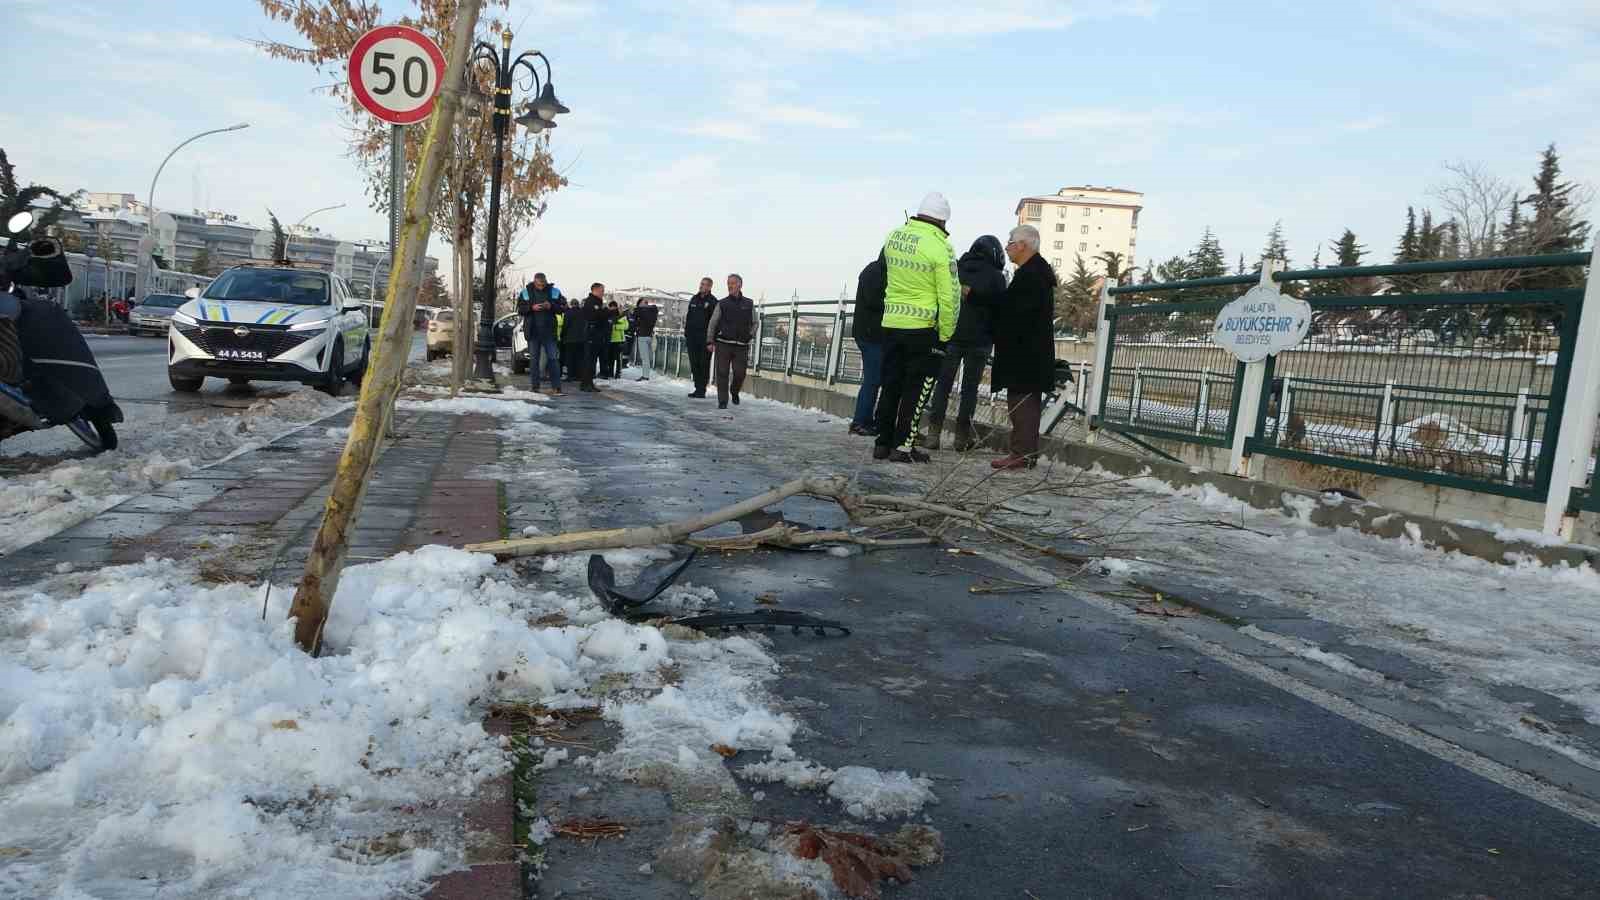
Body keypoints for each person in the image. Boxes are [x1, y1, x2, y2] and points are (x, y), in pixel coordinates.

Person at [873, 193, 958, 463]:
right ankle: (903, 447)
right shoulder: (940, 247)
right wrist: (946, 333)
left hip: (892, 323)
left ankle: (882, 443)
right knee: (917, 390)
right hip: (923, 328)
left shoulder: (893, 237)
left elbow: (884, 276)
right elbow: (949, 296)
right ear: (943, 220)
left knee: (890, 386)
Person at [987, 225, 1058, 470]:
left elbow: (1016, 312)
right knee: (1024, 401)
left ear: (1023, 246)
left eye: (1010, 242)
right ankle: (1024, 452)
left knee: (1022, 403)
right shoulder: (1034, 273)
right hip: (1029, 352)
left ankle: (1021, 454)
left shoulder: (1031, 276)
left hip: (1025, 353)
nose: (1006, 247)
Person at [925, 235, 1002, 451]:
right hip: (980, 340)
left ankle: (933, 435)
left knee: (943, 385)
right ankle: (961, 438)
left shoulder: (955, 269)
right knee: (969, 390)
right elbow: (1000, 309)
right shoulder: (996, 276)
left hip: (950, 336)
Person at [703, 273, 754, 410]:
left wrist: (750, 334)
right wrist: (710, 341)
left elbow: (755, 322)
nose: (729, 286)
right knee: (722, 372)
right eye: (728, 283)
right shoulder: (722, 303)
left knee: (740, 373)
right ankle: (723, 401)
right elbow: (713, 323)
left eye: (732, 283)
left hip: (741, 345)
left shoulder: (749, 303)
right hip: (723, 343)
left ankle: (734, 391)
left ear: (740, 285)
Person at [848, 253, 886, 436]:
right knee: (873, 380)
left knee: (873, 379)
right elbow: (874, 300)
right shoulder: (876, 272)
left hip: (868, 333)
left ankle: (864, 420)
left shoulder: (873, 270)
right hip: (871, 335)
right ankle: (860, 421)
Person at [517, 272, 566, 394]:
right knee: (534, 360)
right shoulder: (525, 292)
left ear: (546, 282)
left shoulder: (554, 291)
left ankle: (557, 387)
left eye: (543, 285)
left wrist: (551, 306)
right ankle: (535, 387)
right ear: (534, 282)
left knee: (553, 359)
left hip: (549, 332)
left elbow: (563, 307)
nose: (541, 287)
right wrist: (531, 308)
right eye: (539, 285)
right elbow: (520, 310)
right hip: (533, 332)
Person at [683, 277, 718, 398]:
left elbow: (715, 322)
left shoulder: (713, 302)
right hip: (692, 337)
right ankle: (697, 387)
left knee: (703, 363)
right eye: (701, 283)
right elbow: (689, 317)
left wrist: (711, 340)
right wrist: (686, 333)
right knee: (694, 363)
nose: (701, 286)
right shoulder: (694, 299)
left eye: (704, 284)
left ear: (709, 287)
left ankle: (701, 389)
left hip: (705, 339)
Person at [580, 283, 614, 392]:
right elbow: (595, 316)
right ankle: (586, 384)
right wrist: (608, 312)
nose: (603, 292)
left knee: (592, 359)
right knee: (589, 360)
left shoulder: (596, 302)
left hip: (595, 333)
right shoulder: (591, 302)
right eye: (602, 290)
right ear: (595, 290)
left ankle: (588, 383)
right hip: (591, 333)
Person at [560, 279, 591, 380]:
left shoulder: (568, 313)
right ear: (578, 304)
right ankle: (579, 375)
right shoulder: (583, 313)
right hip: (581, 339)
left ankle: (570, 375)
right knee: (579, 358)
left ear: (571, 304)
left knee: (570, 358)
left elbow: (565, 326)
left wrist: (562, 336)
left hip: (569, 339)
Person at [632, 297, 660, 381]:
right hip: (650, 336)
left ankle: (645, 376)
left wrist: (637, 326)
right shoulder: (653, 311)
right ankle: (646, 374)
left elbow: (634, 320)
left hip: (642, 336)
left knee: (645, 358)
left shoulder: (639, 311)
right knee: (649, 357)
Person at [608, 301, 628, 378]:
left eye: (614, 307)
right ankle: (610, 372)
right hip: (610, 339)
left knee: (618, 358)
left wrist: (616, 327)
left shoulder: (622, 316)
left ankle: (618, 373)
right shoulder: (609, 315)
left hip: (619, 340)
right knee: (610, 358)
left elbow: (626, 326)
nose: (613, 308)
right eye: (611, 307)